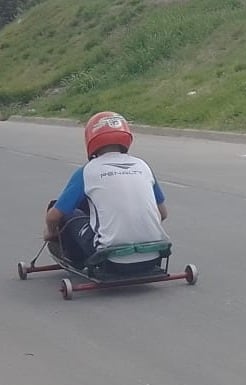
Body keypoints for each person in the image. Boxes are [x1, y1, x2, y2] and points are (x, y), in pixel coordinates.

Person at [44, 111, 169, 273]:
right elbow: (163, 213)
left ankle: (76, 259)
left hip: (111, 261)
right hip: (153, 257)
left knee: (66, 213)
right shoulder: (142, 166)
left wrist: (50, 233)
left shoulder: (88, 171)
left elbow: (53, 216)